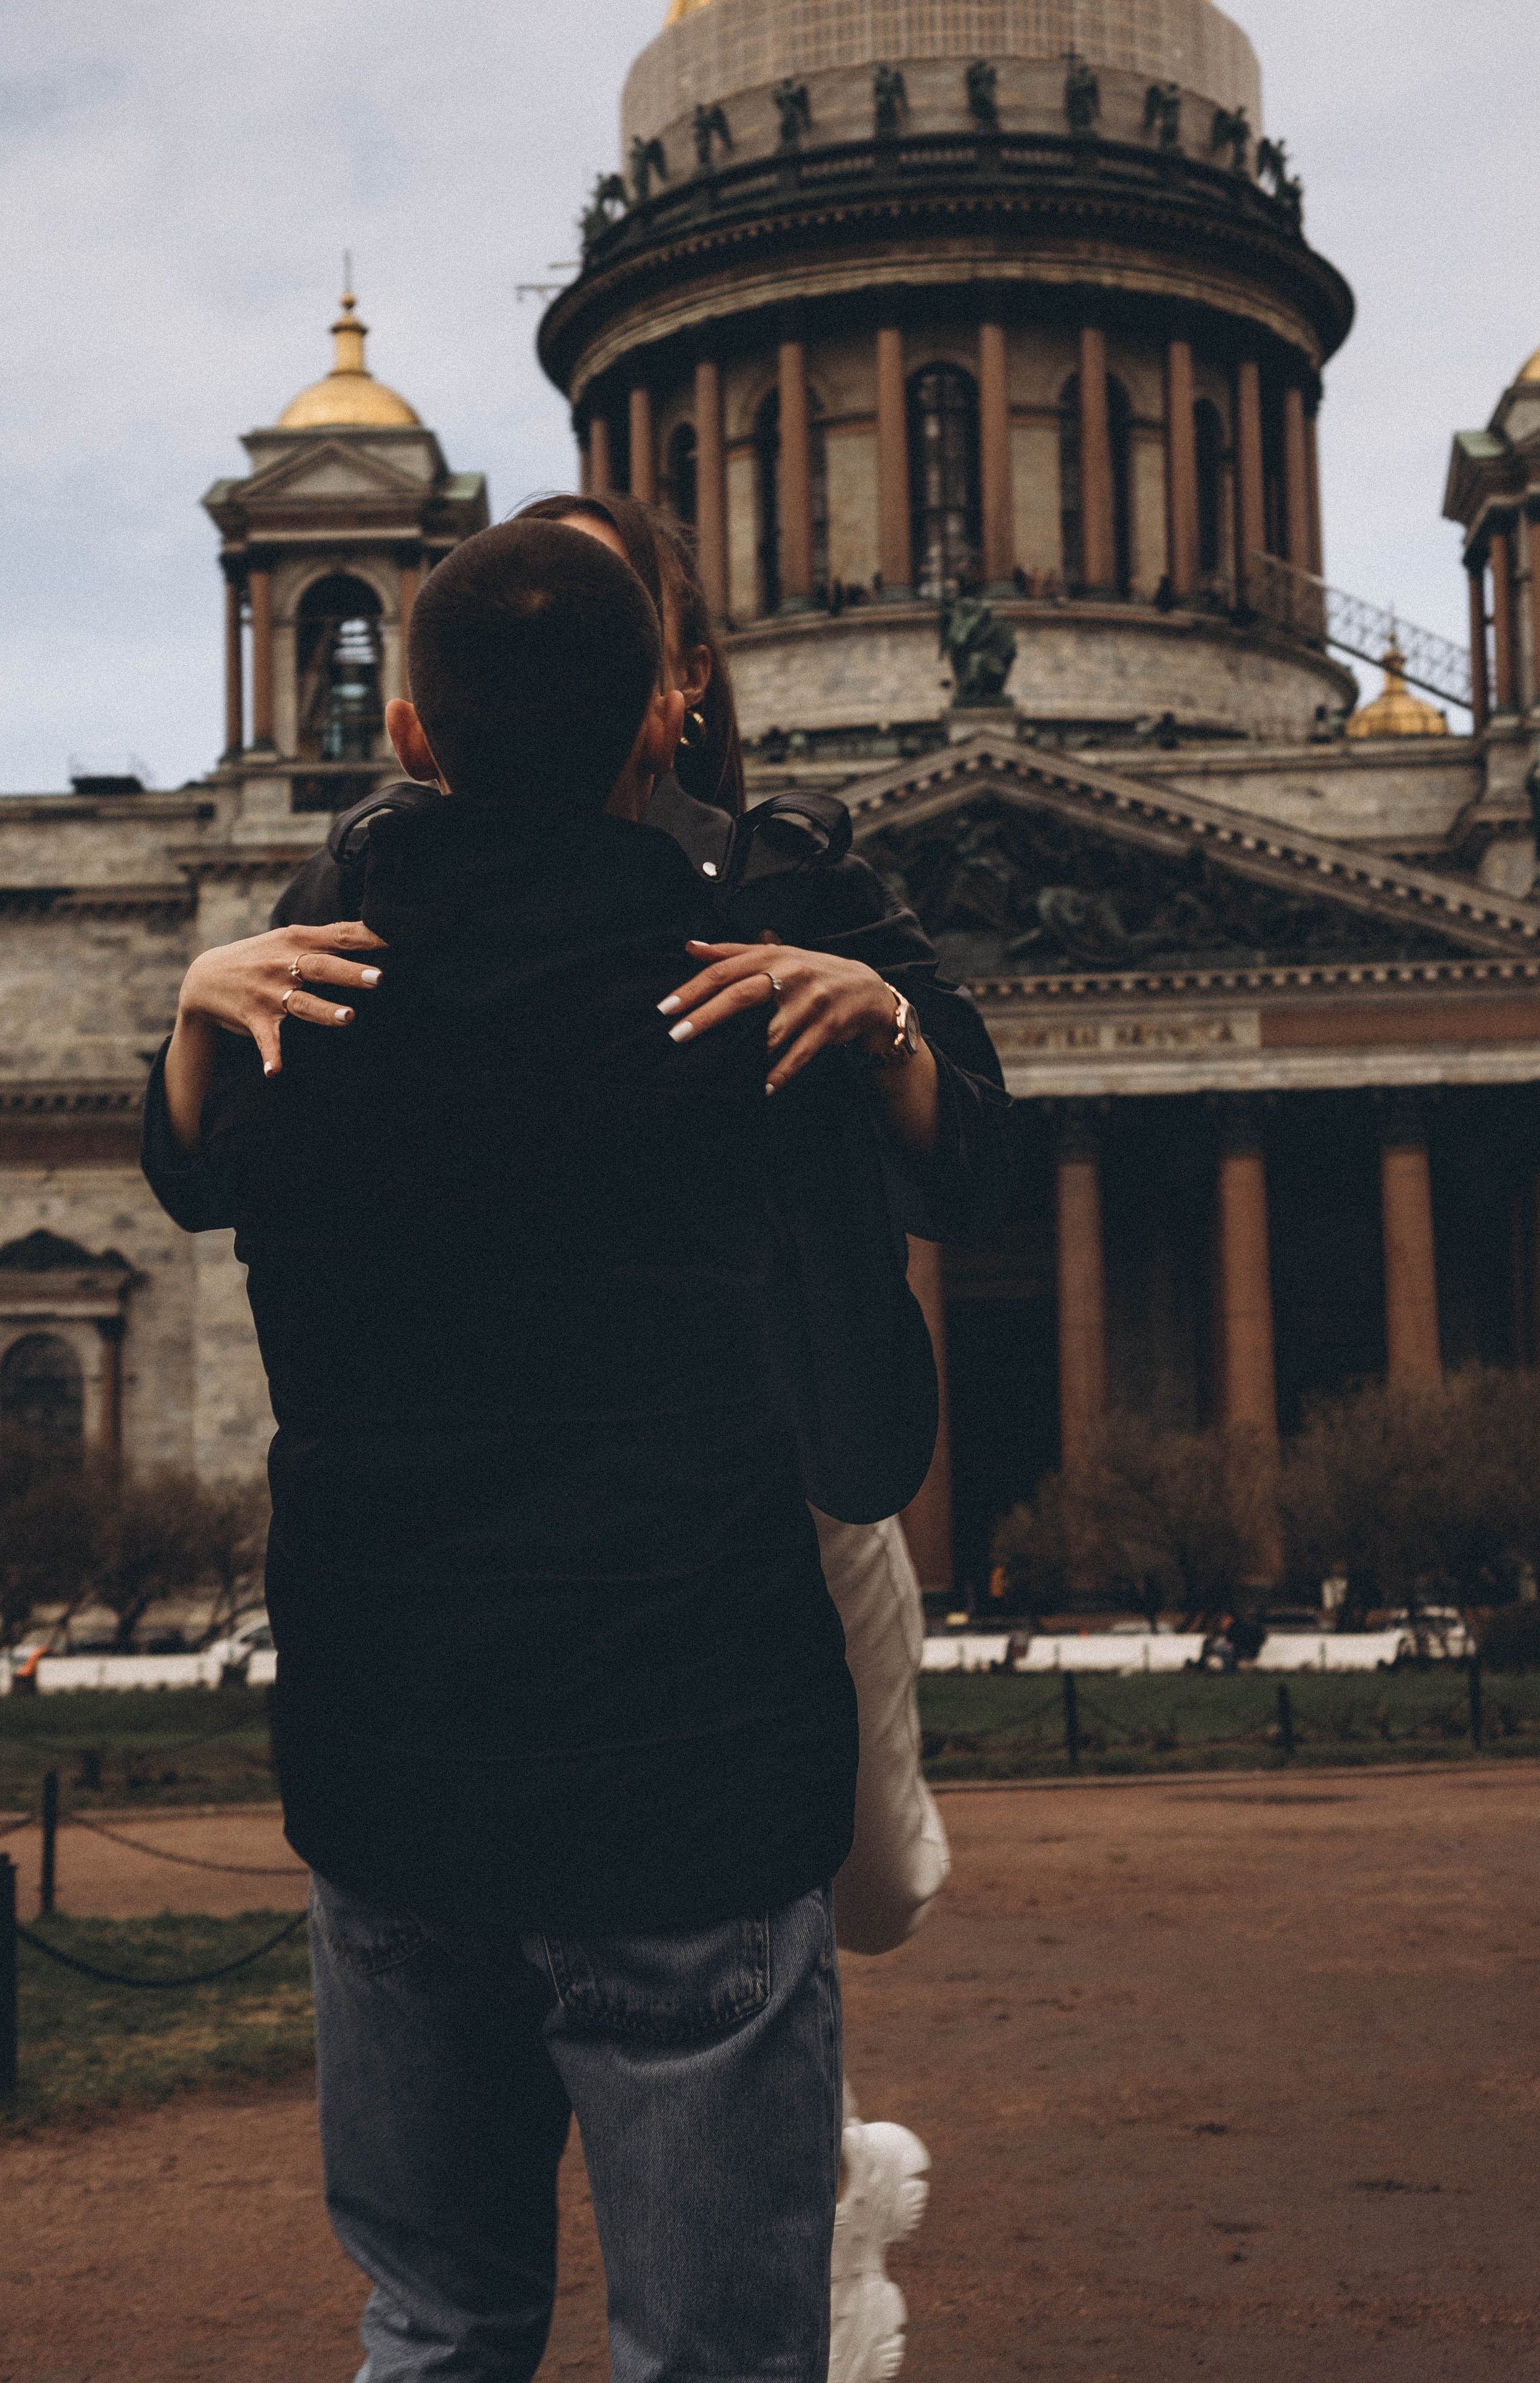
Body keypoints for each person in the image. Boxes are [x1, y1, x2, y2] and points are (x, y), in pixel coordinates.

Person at [145, 518, 960, 2382]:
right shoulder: (763, 1005)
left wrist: (189, 1034)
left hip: (392, 1767)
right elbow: (880, 1398)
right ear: (666, 716)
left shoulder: (289, 1017)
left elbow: (189, 1176)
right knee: (716, 2356)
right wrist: (891, 1037)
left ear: (410, 733)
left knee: (432, 2325)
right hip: (687, 1769)